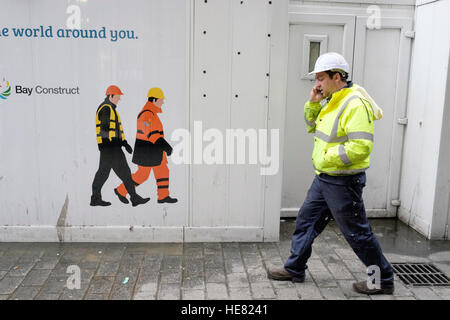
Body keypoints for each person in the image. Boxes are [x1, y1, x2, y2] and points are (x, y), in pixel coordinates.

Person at [267, 52, 395, 295]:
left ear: (337, 77)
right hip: (325, 178)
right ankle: (295, 268)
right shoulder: (333, 99)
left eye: (321, 78)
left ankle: (383, 279)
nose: (317, 84)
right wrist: (313, 102)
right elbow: (311, 126)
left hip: (343, 182)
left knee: (357, 233)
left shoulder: (354, 103)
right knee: (306, 221)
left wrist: (326, 157)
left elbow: (361, 148)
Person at [114, 87, 177, 204]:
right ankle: (121, 190)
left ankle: (163, 196)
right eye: (161, 99)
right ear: (154, 100)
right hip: (147, 152)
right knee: (142, 175)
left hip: (155, 151)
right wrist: (166, 146)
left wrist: (163, 147)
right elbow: (152, 135)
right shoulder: (146, 115)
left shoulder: (152, 113)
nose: (163, 102)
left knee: (163, 171)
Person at [90, 85, 150, 207]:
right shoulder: (106, 109)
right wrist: (117, 145)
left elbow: (114, 130)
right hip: (111, 148)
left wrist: (124, 143)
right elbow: (105, 131)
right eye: (117, 96)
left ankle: (96, 198)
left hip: (110, 147)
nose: (119, 99)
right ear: (111, 96)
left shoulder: (110, 109)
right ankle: (134, 198)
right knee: (123, 173)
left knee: (103, 173)